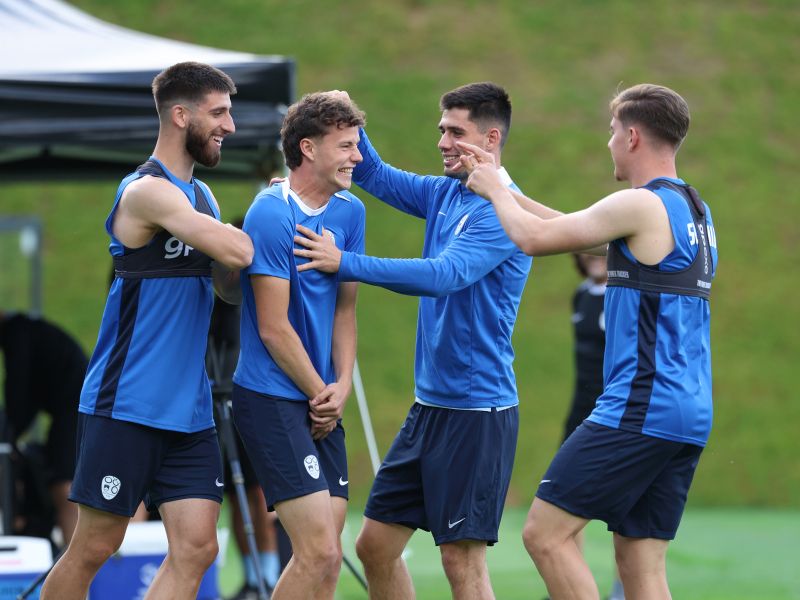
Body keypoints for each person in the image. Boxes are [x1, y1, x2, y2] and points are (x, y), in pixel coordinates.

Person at [459, 83, 717, 600]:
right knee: (640, 563)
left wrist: (493, 191)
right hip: (686, 411)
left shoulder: (639, 204)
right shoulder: (692, 209)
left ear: (633, 137)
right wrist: (500, 182)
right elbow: (568, 228)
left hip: (640, 406)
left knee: (545, 534)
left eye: (613, 131)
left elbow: (533, 239)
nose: (609, 142)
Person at [294, 82, 533, 600]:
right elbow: (374, 174)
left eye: (456, 132)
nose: (443, 142)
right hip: (429, 408)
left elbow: (443, 274)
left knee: (461, 561)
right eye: (441, 130)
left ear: (491, 139)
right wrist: (348, 118)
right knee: (375, 546)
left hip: (477, 412)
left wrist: (345, 263)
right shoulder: (447, 192)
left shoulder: (501, 213)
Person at [40, 61, 254, 600]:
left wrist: (239, 260)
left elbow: (229, 286)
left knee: (197, 548)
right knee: (95, 546)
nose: (230, 126)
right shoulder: (145, 192)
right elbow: (238, 249)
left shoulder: (203, 198)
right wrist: (273, 214)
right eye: (219, 113)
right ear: (180, 115)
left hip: (190, 409)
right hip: (128, 402)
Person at [231, 91, 366, 599]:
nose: (358, 157)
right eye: (346, 146)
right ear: (308, 148)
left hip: (322, 398)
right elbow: (273, 327)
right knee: (319, 551)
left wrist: (342, 385)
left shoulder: (351, 212)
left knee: (327, 561)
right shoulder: (270, 213)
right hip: (273, 395)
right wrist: (320, 393)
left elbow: (345, 310)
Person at [206, 277, 280, 599]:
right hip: (215, 398)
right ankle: (252, 579)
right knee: (234, 498)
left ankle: (269, 578)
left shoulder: (252, 288)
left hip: (249, 397)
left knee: (257, 495)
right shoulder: (211, 293)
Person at [0, 310, 86, 545]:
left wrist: (9, 437)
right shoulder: (28, 331)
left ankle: (74, 551)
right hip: (75, 406)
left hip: (77, 407)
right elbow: (26, 399)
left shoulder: (17, 333)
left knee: (64, 481)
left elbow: (18, 393)